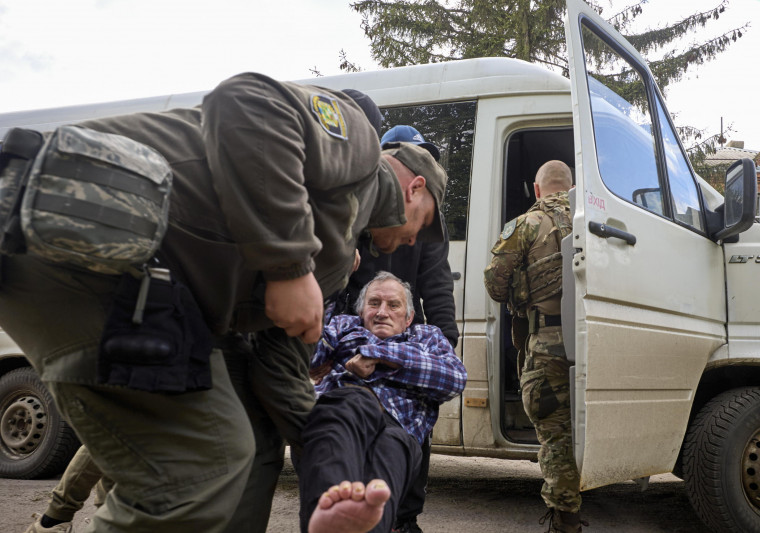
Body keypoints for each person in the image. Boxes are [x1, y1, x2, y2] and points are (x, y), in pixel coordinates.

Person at [2, 71, 446, 533]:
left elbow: (278, 372)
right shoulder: (359, 146)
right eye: (425, 223)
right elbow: (245, 101)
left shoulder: (335, 255)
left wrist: (339, 455)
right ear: (414, 188)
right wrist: (287, 267)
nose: (413, 242)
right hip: (74, 219)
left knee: (245, 447)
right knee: (201, 464)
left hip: (138, 282)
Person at [339, 124, 457, 533]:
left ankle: (404, 520)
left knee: (411, 432)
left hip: (408, 344)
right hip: (356, 339)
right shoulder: (356, 212)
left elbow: (438, 288)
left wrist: (444, 349)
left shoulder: (425, 226)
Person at [298, 271, 467, 533]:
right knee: (335, 423)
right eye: (374, 303)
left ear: (409, 317)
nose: (382, 312)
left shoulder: (426, 337)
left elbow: (454, 379)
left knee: (387, 463)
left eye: (393, 305)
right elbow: (305, 357)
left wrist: (378, 356)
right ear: (361, 311)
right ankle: (328, 515)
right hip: (351, 400)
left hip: (401, 425)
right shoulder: (344, 326)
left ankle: (360, 524)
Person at [483, 160, 584, 532]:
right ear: (571, 187)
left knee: (557, 435)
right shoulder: (600, 223)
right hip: (602, 339)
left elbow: (495, 285)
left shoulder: (526, 225)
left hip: (549, 344)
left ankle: (565, 521)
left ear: (537, 190)